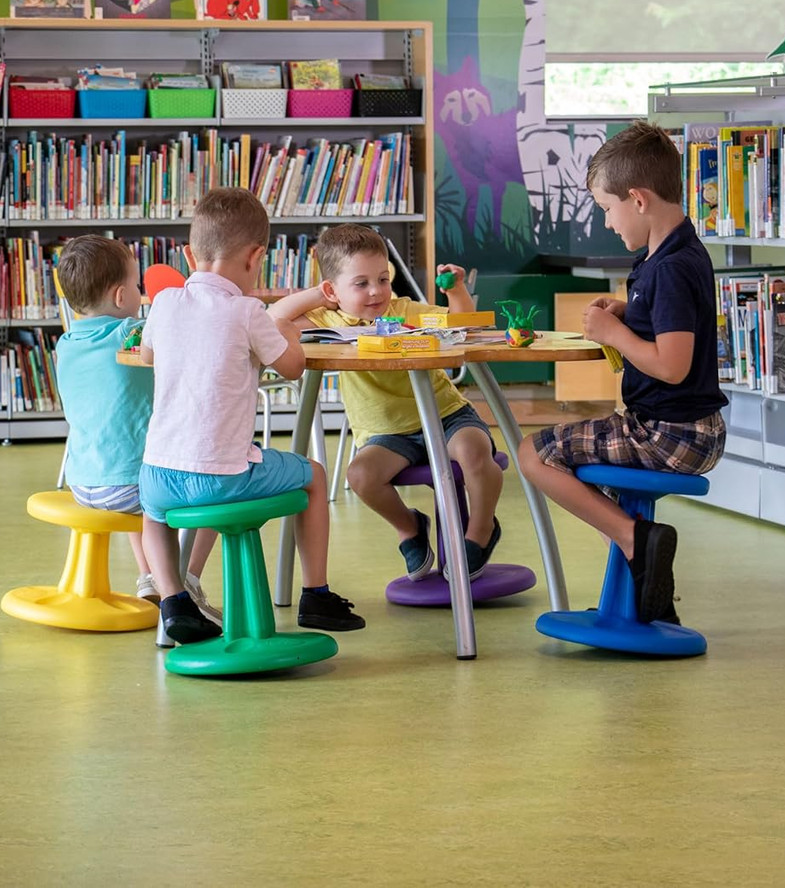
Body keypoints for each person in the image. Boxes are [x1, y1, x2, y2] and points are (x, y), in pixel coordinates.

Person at [517, 121, 728, 624]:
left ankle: (637, 541)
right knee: (596, 480)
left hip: (670, 433)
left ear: (637, 199)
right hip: (688, 428)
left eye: (607, 209)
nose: (608, 223)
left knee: (532, 454)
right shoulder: (675, 252)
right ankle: (646, 591)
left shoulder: (669, 268)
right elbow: (675, 324)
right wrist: (630, 312)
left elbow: (673, 366)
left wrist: (614, 334)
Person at [138, 188, 366, 644]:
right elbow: (293, 367)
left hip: (157, 475)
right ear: (256, 256)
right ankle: (316, 595)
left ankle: (174, 601)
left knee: (154, 517)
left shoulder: (164, 304)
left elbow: (147, 356)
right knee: (314, 476)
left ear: (189, 254)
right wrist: (284, 331)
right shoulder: (247, 311)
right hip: (223, 477)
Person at [268, 225, 503, 582]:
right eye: (361, 283)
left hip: (447, 416)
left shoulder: (404, 309)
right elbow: (274, 319)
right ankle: (409, 526)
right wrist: (320, 295)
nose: (376, 291)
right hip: (387, 434)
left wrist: (456, 290)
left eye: (382, 278)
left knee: (474, 451)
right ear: (332, 291)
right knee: (360, 477)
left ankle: (481, 530)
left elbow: (462, 325)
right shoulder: (327, 319)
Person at [55, 236, 218, 616]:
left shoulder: (65, 343)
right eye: (135, 285)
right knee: (214, 487)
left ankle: (148, 576)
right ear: (120, 296)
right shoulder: (132, 333)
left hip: (82, 483)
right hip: (131, 487)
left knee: (137, 475)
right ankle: (185, 578)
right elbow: (186, 330)